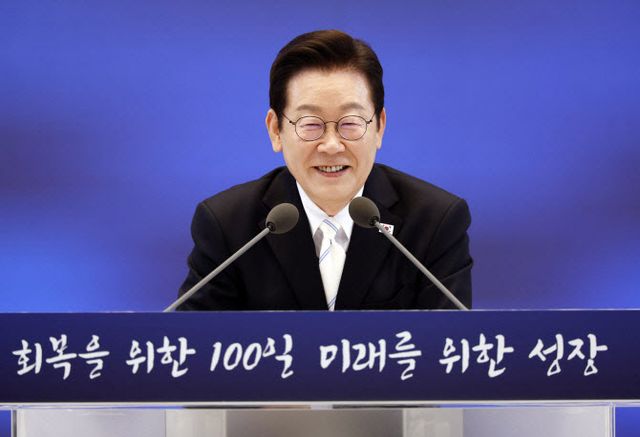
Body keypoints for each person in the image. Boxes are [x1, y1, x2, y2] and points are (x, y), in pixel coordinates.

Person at [177, 30, 472, 310]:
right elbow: (193, 339)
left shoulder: (434, 222)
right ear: (275, 130)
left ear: (380, 127)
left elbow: (450, 340)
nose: (331, 145)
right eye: (310, 124)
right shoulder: (228, 226)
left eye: (351, 123)